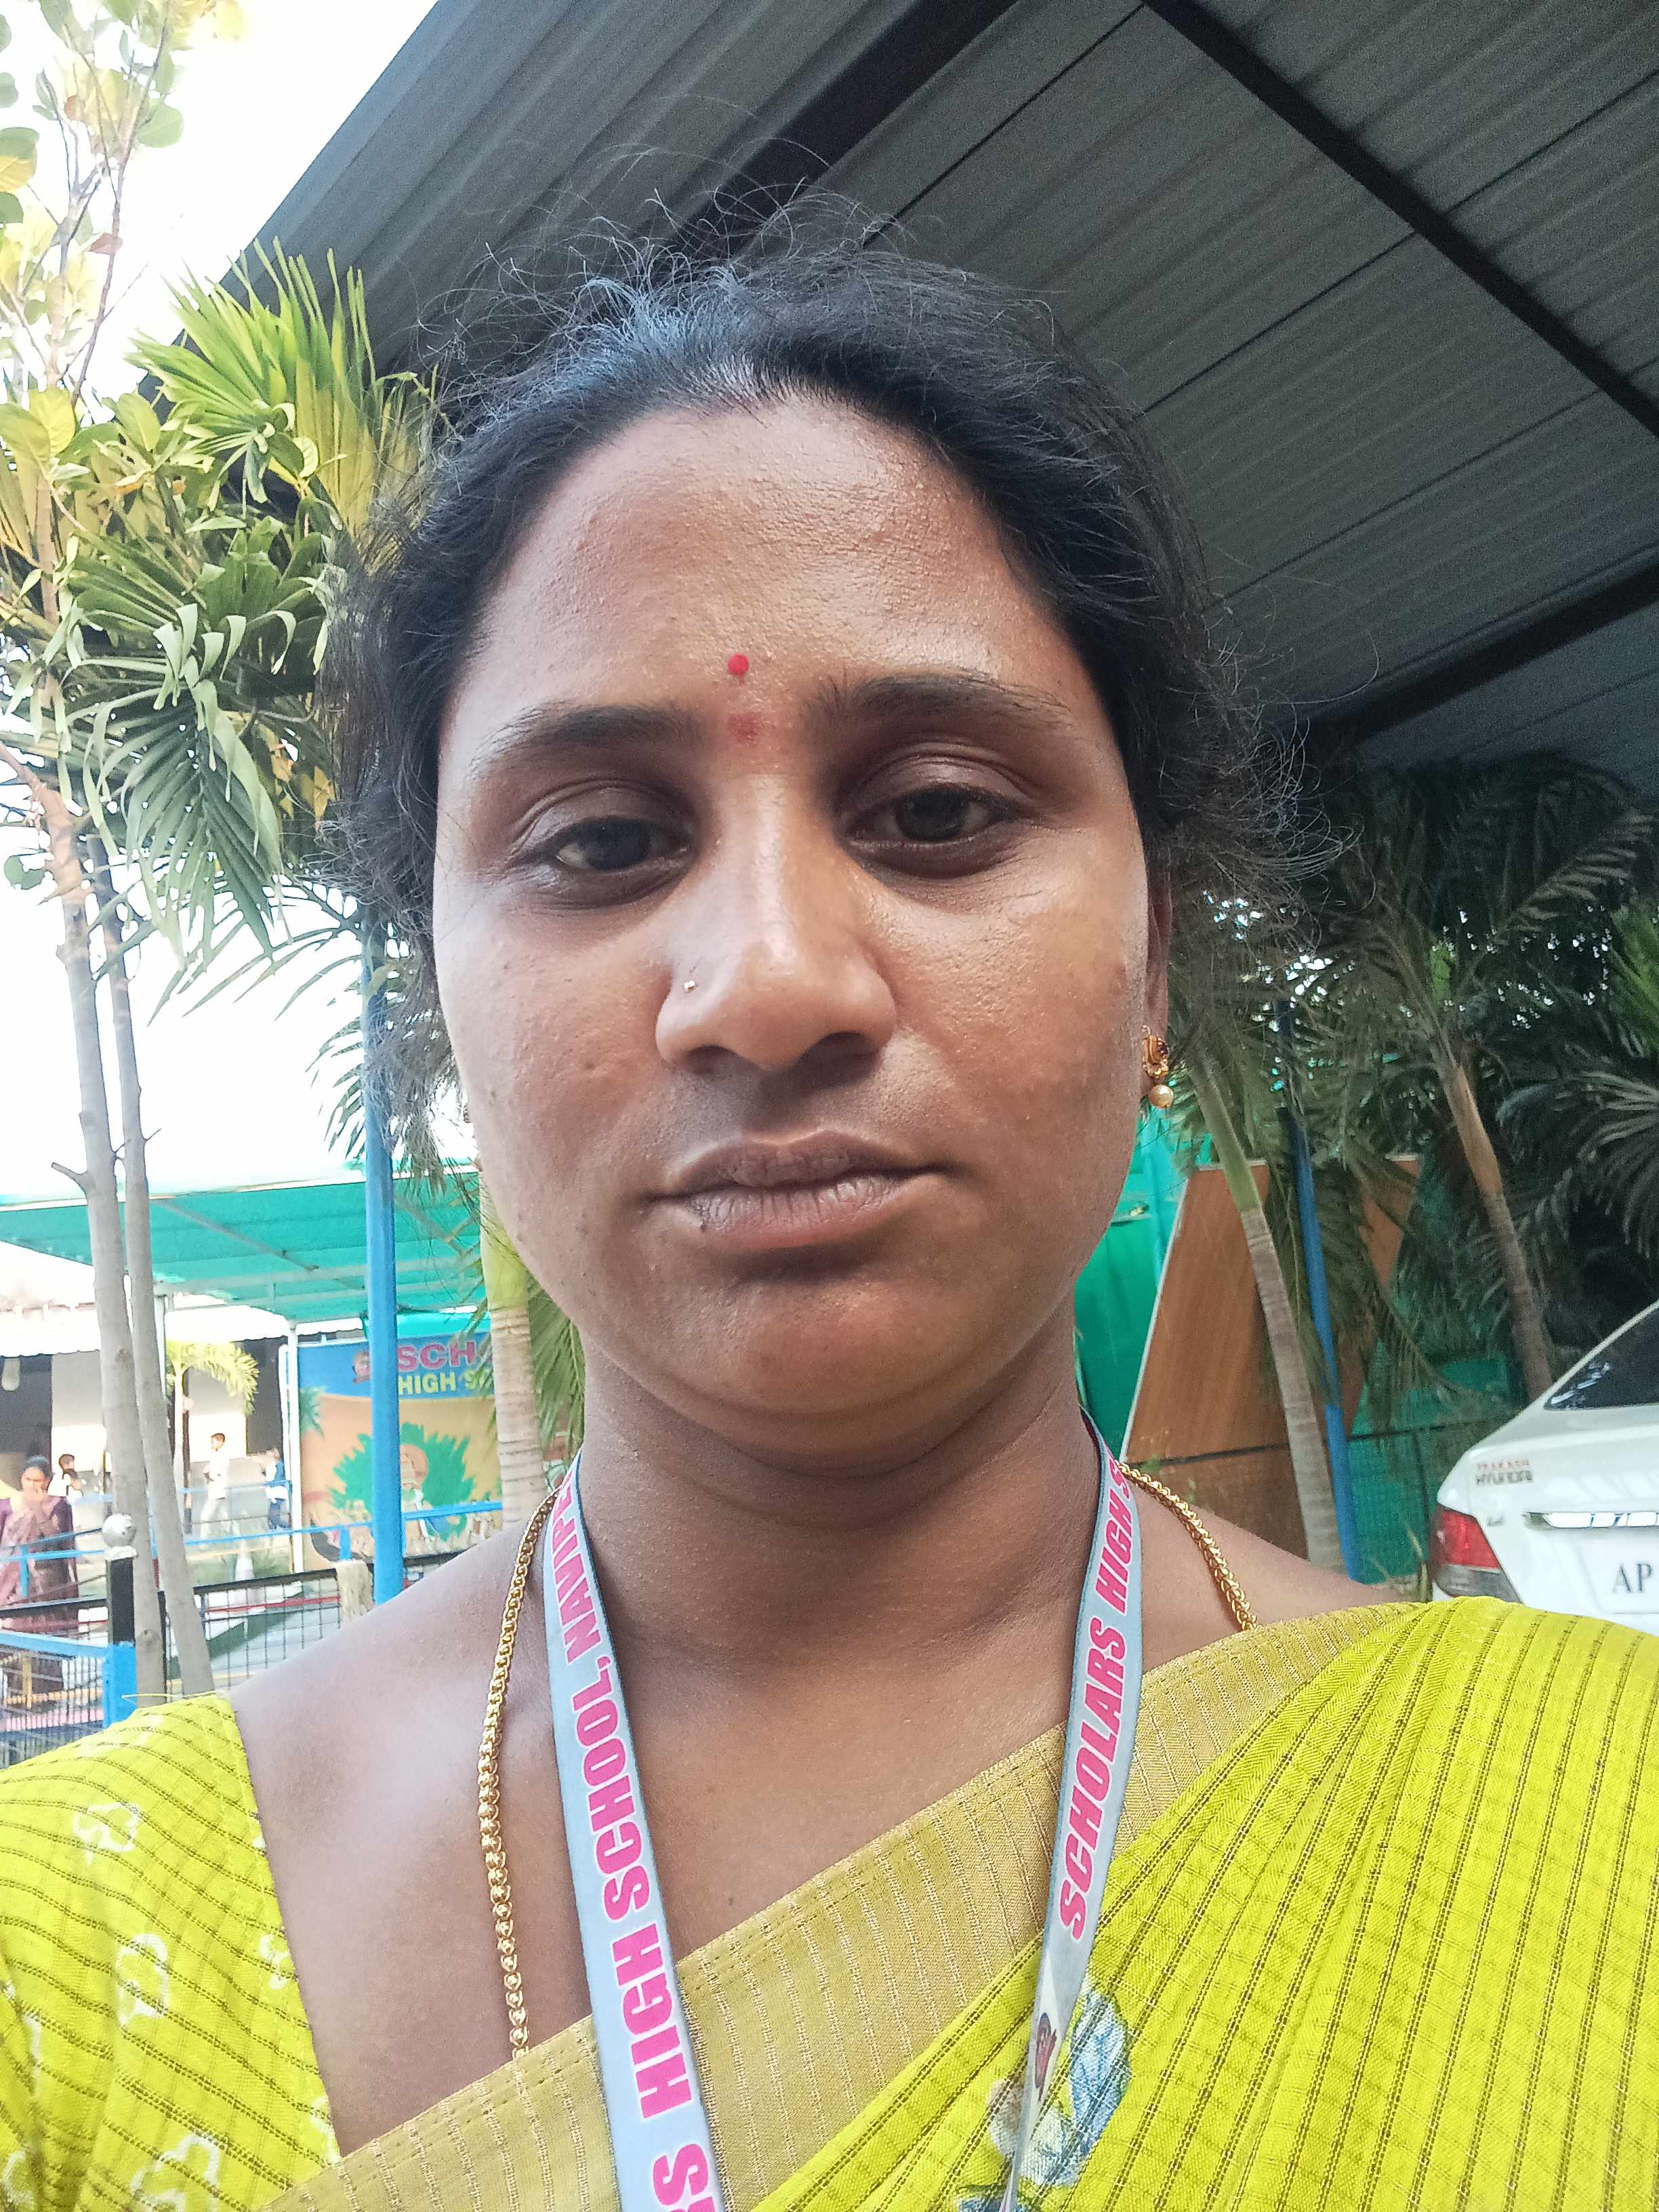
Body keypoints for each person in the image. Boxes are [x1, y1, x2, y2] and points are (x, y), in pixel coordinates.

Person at [0, 211, 1654, 2211]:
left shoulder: (1600, 1808)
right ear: (439, 1001)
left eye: (937, 811)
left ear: (1152, 961)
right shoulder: (63, 1971)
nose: (770, 982)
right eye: (601, 841)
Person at [0, 1458, 79, 1697]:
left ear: (47, 1481)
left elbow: (57, 1541)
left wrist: (37, 1509)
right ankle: (17, 1698)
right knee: (13, 1642)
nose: (32, 1485)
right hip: (11, 1589)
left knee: (45, 1644)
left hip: (45, 1587)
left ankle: (47, 1700)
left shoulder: (58, 1506)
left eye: (38, 1481)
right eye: (28, 1480)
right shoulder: (6, 1506)